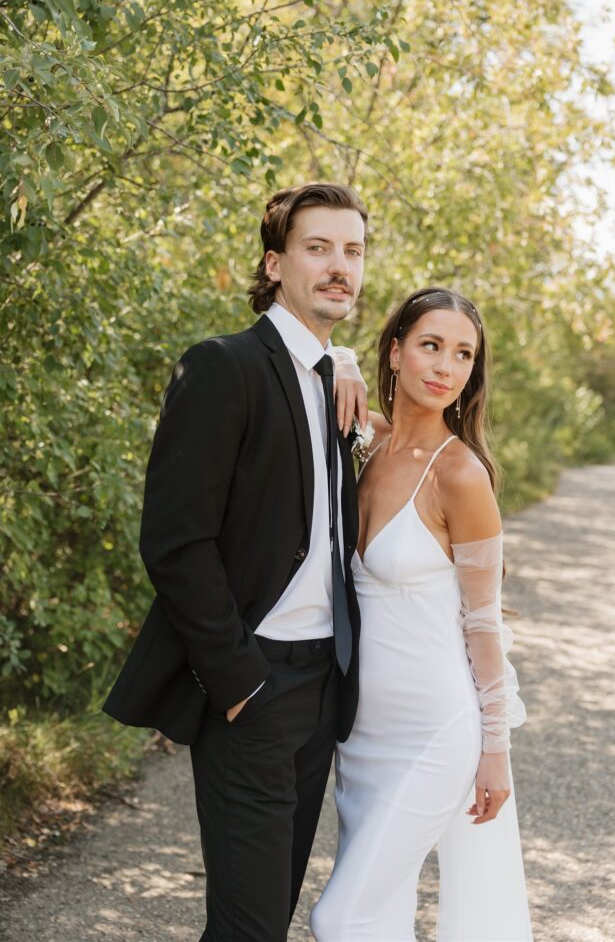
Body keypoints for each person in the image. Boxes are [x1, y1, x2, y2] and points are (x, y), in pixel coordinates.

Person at [102, 182, 371, 942]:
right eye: (317, 248)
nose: (337, 267)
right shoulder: (222, 367)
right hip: (254, 682)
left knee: (268, 915)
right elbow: (176, 542)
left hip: (324, 685)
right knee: (249, 927)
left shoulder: (334, 380)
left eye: (350, 251)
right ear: (274, 262)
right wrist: (238, 680)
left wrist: (343, 359)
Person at [311, 287, 533, 941]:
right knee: (378, 918)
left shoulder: (460, 475)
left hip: (435, 733)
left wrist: (495, 750)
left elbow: (484, 623)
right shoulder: (368, 444)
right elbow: (301, 359)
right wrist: (344, 360)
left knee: (339, 917)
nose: (445, 367)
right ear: (396, 350)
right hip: (360, 738)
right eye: (431, 345)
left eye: (462, 355)